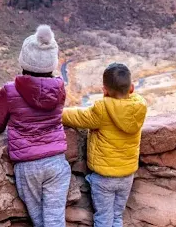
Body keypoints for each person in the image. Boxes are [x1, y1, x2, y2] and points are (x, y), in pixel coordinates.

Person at [0, 25, 70, 227]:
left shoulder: (10, 91)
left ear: (24, 60)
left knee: (39, 221)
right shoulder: (59, 89)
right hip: (57, 162)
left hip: (28, 166)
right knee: (55, 221)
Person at [62, 63, 147, 227]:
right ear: (132, 88)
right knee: (117, 216)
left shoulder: (101, 109)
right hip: (127, 175)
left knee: (103, 218)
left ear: (105, 90)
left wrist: (58, 113)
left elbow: (78, 117)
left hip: (104, 177)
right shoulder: (139, 107)